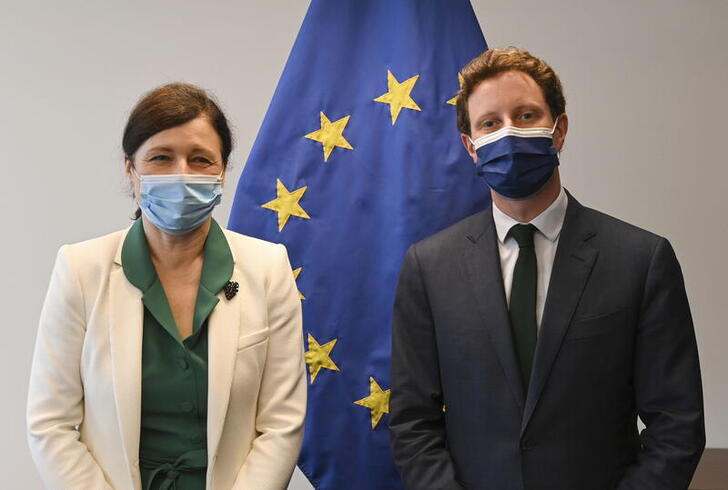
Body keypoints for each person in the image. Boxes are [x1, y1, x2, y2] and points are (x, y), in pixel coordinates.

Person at [389, 48, 705, 489]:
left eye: (525, 115)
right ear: (471, 147)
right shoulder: (429, 266)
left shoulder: (641, 259)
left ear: (559, 130)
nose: (509, 133)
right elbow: (412, 423)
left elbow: (677, 423)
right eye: (490, 123)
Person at [27, 83, 306, 490]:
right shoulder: (80, 269)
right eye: (160, 158)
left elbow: (282, 422)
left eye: (200, 159)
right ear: (130, 169)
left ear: (223, 170)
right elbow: (50, 424)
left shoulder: (267, 267)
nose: (181, 174)